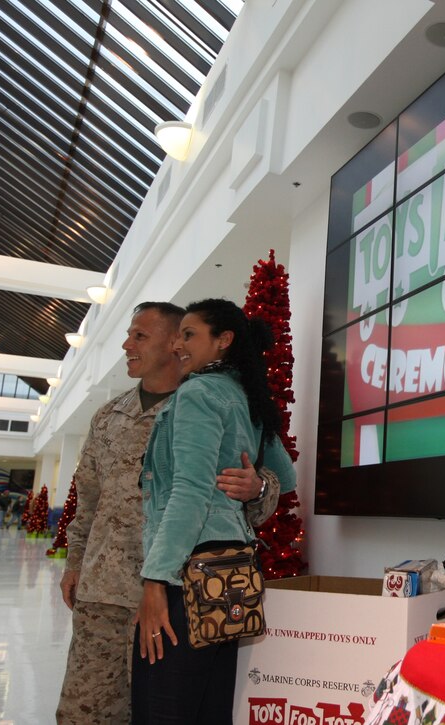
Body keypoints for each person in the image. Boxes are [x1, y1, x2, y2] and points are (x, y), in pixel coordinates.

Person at [56, 302, 291, 725]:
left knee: (167, 706)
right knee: (86, 712)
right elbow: (87, 500)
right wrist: (74, 562)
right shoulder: (110, 416)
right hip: (105, 592)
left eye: (139, 336)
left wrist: (259, 486)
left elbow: (209, 489)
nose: (127, 345)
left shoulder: (204, 398)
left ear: (173, 341)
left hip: (174, 587)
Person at [133, 298, 296, 724]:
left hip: (185, 573)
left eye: (189, 335)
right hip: (230, 573)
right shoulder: (247, 395)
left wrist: (155, 580)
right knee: (209, 705)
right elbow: (287, 478)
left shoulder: (198, 392)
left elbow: (190, 490)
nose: (177, 346)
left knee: (163, 707)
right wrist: (258, 485)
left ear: (224, 340)